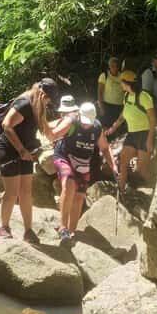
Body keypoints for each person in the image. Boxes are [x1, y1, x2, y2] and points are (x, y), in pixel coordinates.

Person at [0, 77, 60, 242]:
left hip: (26, 152)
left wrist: (66, 129)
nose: (48, 103)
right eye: (48, 99)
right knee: (12, 192)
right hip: (9, 151)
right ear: (42, 94)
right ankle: (4, 226)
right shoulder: (24, 104)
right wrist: (21, 150)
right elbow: (6, 125)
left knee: (26, 192)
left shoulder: (37, 106)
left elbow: (48, 130)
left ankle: (28, 230)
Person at [51, 98, 117, 243]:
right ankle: (63, 228)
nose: (86, 125)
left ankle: (72, 231)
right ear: (79, 114)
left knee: (80, 195)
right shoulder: (71, 121)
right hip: (64, 156)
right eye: (84, 121)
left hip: (82, 163)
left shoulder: (96, 127)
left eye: (89, 122)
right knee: (68, 183)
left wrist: (114, 166)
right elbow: (53, 134)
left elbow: (105, 148)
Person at [106, 70, 156, 191]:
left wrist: (149, 140)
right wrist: (114, 127)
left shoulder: (144, 97)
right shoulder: (127, 96)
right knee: (123, 162)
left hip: (144, 135)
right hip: (132, 134)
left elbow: (153, 119)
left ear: (127, 83)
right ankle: (121, 190)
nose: (120, 85)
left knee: (141, 170)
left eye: (121, 82)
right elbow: (124, 114)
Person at [97, 56, 124, 131]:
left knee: (117, 128)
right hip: (107, 106)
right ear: (109, 67)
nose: (114, 68)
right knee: (106, 127)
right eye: (112, 66)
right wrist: (101, 107)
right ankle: (105, 142)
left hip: (119, 107)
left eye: (116, 66)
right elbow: (99, 92)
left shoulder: (122, 76)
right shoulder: (104, 75)